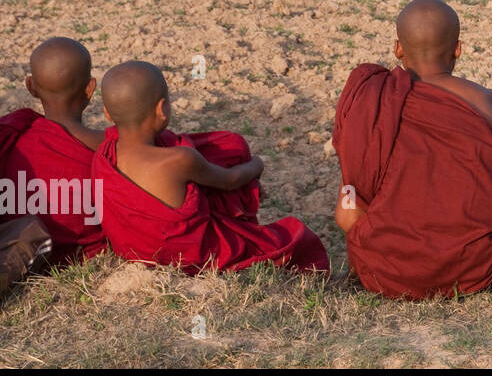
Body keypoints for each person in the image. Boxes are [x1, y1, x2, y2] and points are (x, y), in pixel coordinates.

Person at [332, 0, 492, 299]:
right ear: (457, 49)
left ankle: (365, 263)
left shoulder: (374, 99)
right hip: (476, 267)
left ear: (398, 49)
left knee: (350, 192)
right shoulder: (489, 103)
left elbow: (356, 178)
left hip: (389, 271)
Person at [91, 61, 329, 274]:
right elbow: (230, 180)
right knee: (288, 240)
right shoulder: (179, 160)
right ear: (162, 109)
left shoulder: (104, 155)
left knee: (229, 146)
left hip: (136, 253)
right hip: (189, 257)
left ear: (107, 114)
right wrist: (257, 165)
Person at [0, 38, 107, 263]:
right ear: (90, 88)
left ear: (31, 87)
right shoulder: (108, 150)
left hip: (17, 249)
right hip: (76, 256)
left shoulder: (14, 141)